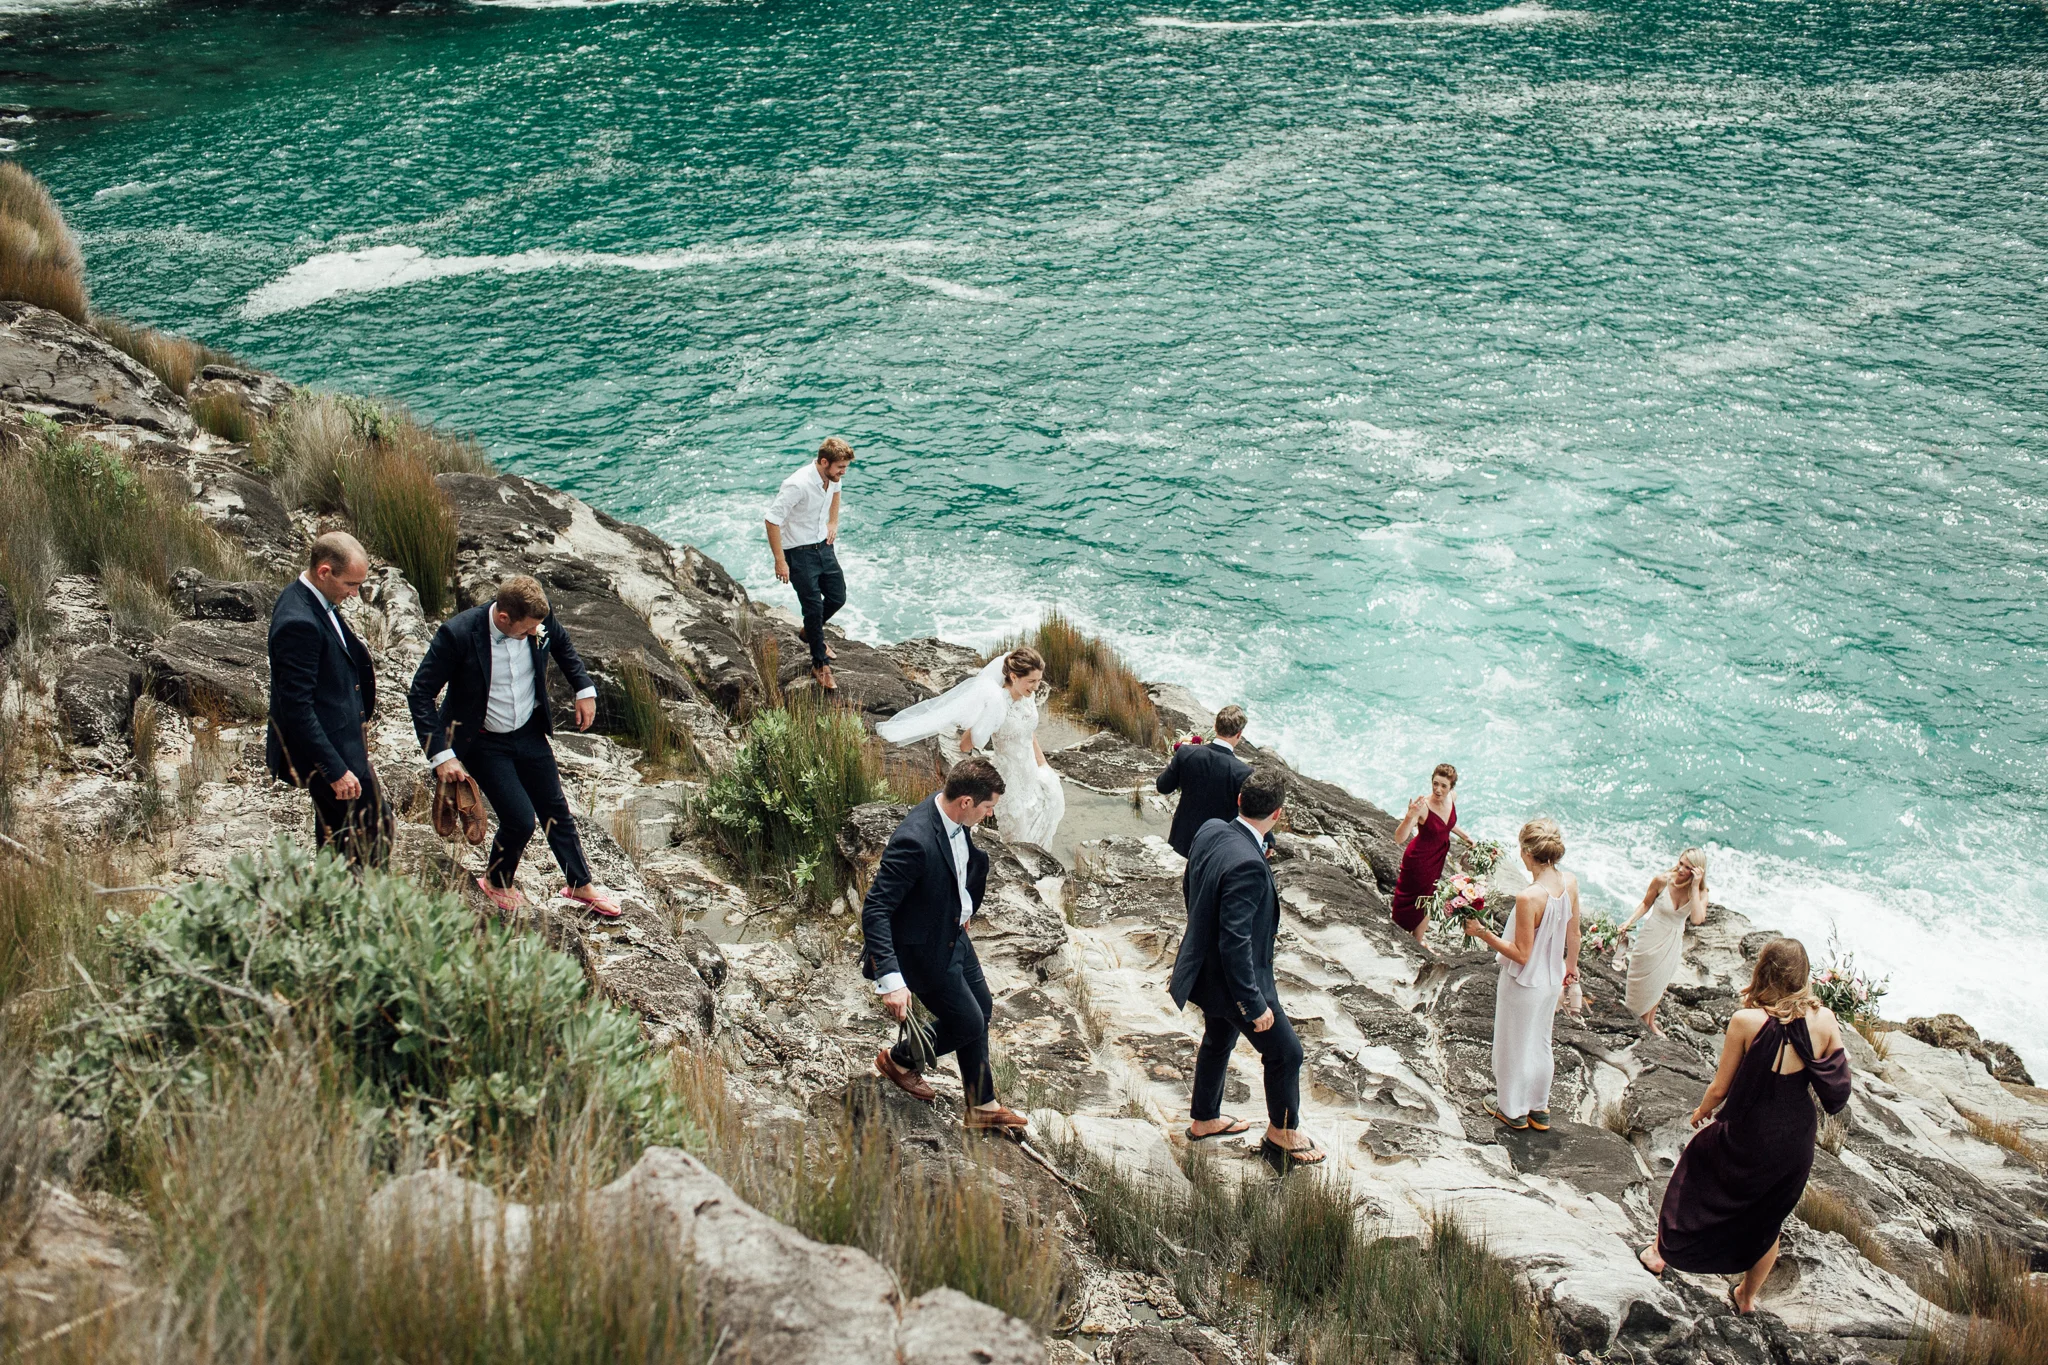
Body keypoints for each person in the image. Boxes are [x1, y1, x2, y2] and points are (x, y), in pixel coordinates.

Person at [1640, 938, 1850, 1315]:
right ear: (1804, 977)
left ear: (1763, 971)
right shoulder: (1825, 1019)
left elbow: (1720, 1087)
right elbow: (1838, 1086)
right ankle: (1747, 1298)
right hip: (1795, 1137)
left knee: (1695, 1168)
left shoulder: (1746, 1021)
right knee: (1768, 1217)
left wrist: (1701, 1112)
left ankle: (1659, 1254)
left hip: (1750, 1130)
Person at [406, 575, 619, 918]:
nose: (535, 633)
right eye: (527, 630)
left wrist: (584, 688)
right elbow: (420, 694)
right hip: (483, 740)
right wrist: (441, 755)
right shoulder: (457, 634)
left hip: (528, 730)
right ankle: (496, 881)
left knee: (556, 810)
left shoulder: (537, 617)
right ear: (504, 618)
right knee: (520, 819)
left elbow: (562, 645)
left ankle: (579, 884)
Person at [861, 758, 1030, 1133]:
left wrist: (961, 905)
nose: (989, 816)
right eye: (988, 808)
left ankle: (982, 1104)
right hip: (921, 950)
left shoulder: (952, 815)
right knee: (967, 1021)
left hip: (953, 933)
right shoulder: (913, 840)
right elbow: (876, 908)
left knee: (982, 1008)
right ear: (966, 802)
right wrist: (891, 979)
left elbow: (955, 867)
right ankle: (898, 1060)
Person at [1168, 767, 1323, 1172]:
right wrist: (1252, 1003)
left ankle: (1204, 1119)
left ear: (1239, 801)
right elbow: (1235, 942)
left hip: (1204, 972)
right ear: (1277, 814)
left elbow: (1192, 886)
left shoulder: (1211, 829)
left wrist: (1259, 845)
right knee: (1287, 1054)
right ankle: (1282, 1132)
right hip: (1237, 983)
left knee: (1218, 1039)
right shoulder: (1248, 866)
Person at [266, 532, 389, 868]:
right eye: (351, 584)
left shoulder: (313, 598)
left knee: (338, 839)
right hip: (330, 755)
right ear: (324, 572)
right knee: (374, 835)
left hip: (343, 742)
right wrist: (335, 771)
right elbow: (296, 708)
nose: (355, 594)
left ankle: (330, 904)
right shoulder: (298, 622)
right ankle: (361, 911)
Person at [875, 647, 1065, 849]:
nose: (1036, 687)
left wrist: (1043, 765)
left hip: (1032, 774)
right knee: (1019, 841)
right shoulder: (997, 705)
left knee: (1046, 812)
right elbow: (965, 744)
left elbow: (1029, 732)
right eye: (1031, 681)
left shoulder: (1028, 697)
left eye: (1038, 681)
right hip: (1012, 782)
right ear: (1013, 676)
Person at [1463, 818, 1580, 1132]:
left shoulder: (1529, 897)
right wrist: (1571, 969)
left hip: (1524, 982)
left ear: (1529, 852)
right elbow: (1575, 934)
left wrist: (1481, 932)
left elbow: (1521, 953)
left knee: (1512, 1045)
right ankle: (1538, 1109)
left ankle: (1512, 1110)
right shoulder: (1569, 882)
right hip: (1551, 979)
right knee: (1541, 1042)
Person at [764, 437, 854, 692]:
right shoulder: (797, 484)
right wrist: (780, 561)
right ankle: (819, 663)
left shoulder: (833, 479)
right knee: (813, 608)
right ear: (824, 462)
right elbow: (772, 520)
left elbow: (836, 492)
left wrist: (833, 522)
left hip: (823, 547)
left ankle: (810, 632)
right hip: (799, 554)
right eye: (840, 467)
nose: (843, 472)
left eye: (845, 468)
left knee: (838, 596)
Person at [1618, 848, 1710, 1035]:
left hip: (1672, 940)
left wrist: (1694, 887)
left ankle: (1650, 1022)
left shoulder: (1701, 892)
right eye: (1681, 863)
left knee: (1660, 982)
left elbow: (1697, 919)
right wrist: (1629, 921)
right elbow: (1646, 904)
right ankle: (1639, 1021)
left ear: (1697, 870)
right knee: (1641, 979)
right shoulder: (1662, 880)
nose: (1681, 869)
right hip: (1651, 935)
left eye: (1688, 867)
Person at [1154, 705, 1254, 858]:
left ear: (1215, 727)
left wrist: (1178, 764)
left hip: (1181, 841)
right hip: (1216, 847)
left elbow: (1163, 786)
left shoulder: (1186, 753)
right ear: (1239, 734)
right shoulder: (1243, 772)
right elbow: (1250, 815)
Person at [1390, 763, 1467, 943]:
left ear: (1451, 788)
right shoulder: (1423, 806)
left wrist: (1466, 837)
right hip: (1418, 861)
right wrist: (1409, 816)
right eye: (1435, 784)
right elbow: (1399, 838)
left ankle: (1418, 940)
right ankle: (1397, 937)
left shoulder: (1452, 798)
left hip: (1437, 858)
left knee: (1430, 898)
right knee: (1409, 901)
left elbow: (1446, 823)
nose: (1438, 789)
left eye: (1443, 786)